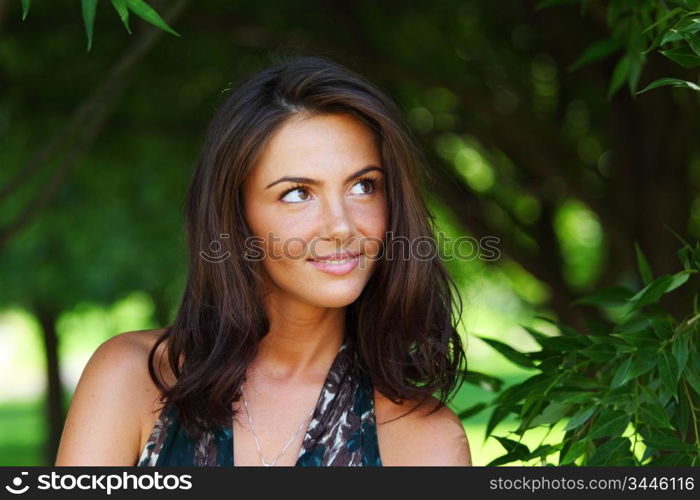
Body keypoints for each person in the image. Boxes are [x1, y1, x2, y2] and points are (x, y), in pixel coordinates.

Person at [55, 54, 472, 467]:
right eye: (297, 193)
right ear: (237, 215)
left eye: (363, 186)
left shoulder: (424, 440)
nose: (342, 226)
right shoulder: (133, 380)